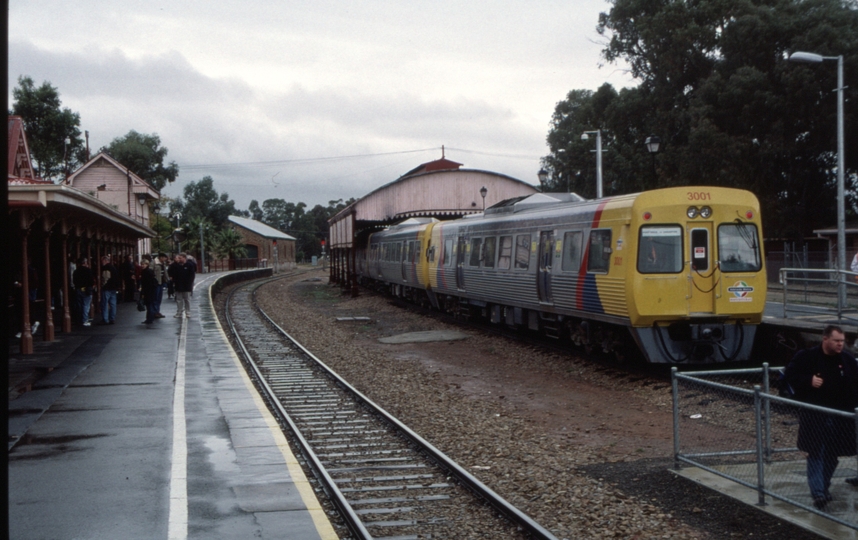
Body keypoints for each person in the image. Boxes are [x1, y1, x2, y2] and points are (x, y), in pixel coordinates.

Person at [785, 324, 858, 509]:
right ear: (825, 339)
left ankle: (824, 488)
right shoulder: (807, 357)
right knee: (816, 452)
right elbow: (788, 376)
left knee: (833, 455)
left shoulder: (847, 360)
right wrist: (808, 381)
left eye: (842, 341)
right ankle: (818, 493)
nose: (840, 344)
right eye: (836, 341)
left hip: (841, 416)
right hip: (815, 414)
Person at [172, 253, 196, 319]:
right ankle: (179, 312)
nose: (179, 259)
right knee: (179, 299)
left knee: (187, 299)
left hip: (187, 285)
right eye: (178, 258)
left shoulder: (189, 265)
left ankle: (188, 312)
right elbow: (174, 274)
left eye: (180, 258)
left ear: (184, 258)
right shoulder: (177, 266)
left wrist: (190, 283)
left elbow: (192, 275)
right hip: (178, 285)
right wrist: (174, 282)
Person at [72, 257, 94, 326]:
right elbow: (91, 280)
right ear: (85, 263)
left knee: (79, 305)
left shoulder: (76, 271)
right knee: (86, 305)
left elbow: (74, 280)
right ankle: (84, 320)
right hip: (86, 289)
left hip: (78, 289)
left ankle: (79, 319)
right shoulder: (88, 270)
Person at [99, 255, 121, 324]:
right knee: (113, 304)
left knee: (105, 303)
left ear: (105, 261)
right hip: (113, 288)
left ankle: (105, 319)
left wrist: (103, 285)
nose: (101, 262)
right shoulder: (113, 268)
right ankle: (112, 318)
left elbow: (105, 278)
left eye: (102, 260)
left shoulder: (105, 268)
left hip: (107, 288)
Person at [139, 258, 158, 324]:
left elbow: (147, 283)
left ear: (147, 264)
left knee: (149, 305)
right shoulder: (149, 271)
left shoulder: (146, 272)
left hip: (148, 290)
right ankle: (149, 318)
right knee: (150, 304)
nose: (142, 265)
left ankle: (149, 319)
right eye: (142, 264)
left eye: (144, 264)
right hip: (150, 290)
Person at [153, 253, 168, 318]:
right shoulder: (154, 263)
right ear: (161, 257)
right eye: (164, 258)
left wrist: (167, 280)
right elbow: (151, 272)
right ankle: (155, 312)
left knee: (159, 298)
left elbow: (165, 272)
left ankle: (157, 311)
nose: (165, 259)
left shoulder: (162, 264)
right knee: (155, 298)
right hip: (156, 283)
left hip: (161, 282)